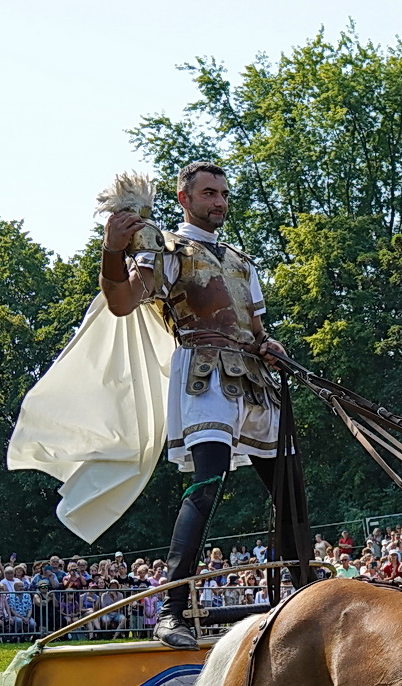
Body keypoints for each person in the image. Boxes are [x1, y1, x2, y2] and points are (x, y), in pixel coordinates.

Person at [101, 160, 293, 648]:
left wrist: (271, 347)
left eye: (224, 194)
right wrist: (112, 252)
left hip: (252, 378)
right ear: (185, 198)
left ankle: (306, 596)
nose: (220, 202)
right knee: (208, 482)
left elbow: (256, 329)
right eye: (209, 193)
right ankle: (170, 610)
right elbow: (123, 302)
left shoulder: (240, 261)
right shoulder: (167, 251)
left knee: (290, 489)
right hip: (205, 374)